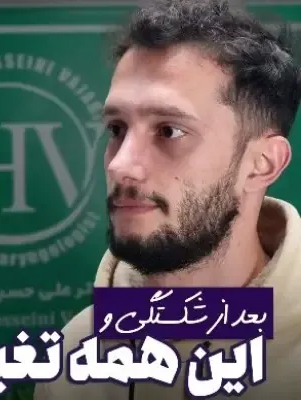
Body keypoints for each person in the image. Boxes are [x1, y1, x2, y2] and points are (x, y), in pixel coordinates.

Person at [34, 0, 301, 398]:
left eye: (169, 131)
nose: (120, 165)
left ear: (262, 164)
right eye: (117, 129)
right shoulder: (73, 357)